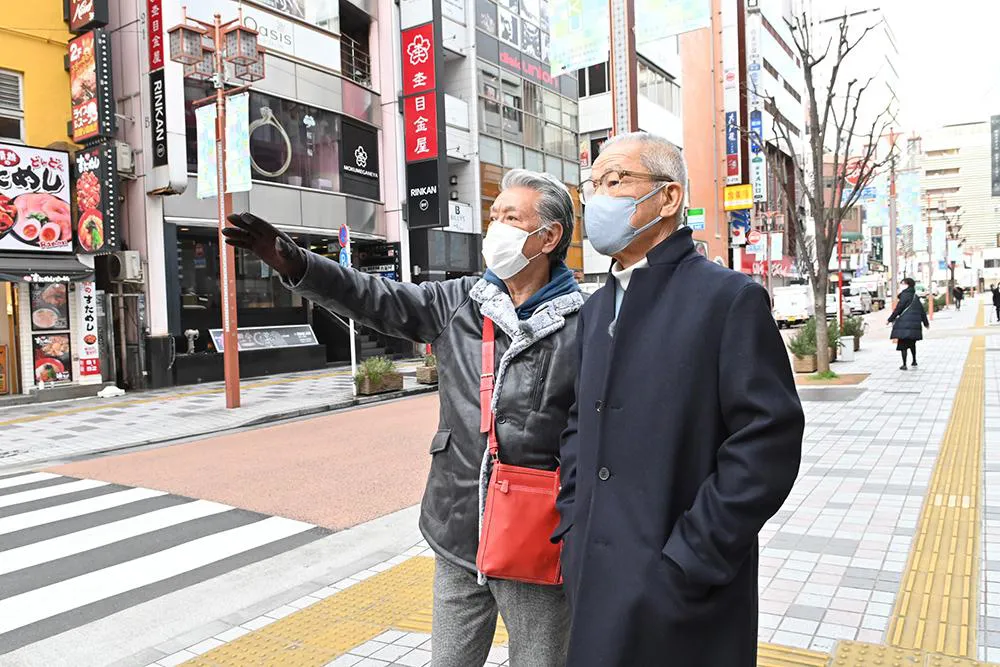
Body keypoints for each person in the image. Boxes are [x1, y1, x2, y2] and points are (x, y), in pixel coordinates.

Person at [223, 169, 584, 667]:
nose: (495, 228)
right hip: (458, 523)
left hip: (537, 536)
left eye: (511, 217)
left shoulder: (587, 321)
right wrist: (299, 265)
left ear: (548, 236)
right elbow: (376, 298)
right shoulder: (459, 301)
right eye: (493, 216)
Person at [552, 131, 804, 666]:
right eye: (594, 184)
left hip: (685, 590)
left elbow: (767, 444)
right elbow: (578, 422)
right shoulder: (597, 309)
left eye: (615, 180)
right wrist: (573, 524)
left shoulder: (728, 298)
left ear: (668, 198)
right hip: (597, 577)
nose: (598, 198)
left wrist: (690, 558)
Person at [888, 277, 929, 370]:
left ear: (907, 285)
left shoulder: (904, 296)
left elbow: (898, 309)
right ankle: (914, 360)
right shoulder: (915, 296)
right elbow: (921, 311)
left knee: (903, 344)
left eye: (903, 283)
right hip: (914, 325)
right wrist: (926, 323)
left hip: (904, 324)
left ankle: (904, 364)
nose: (901, 285)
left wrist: (890, 319)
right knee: (912, 343)